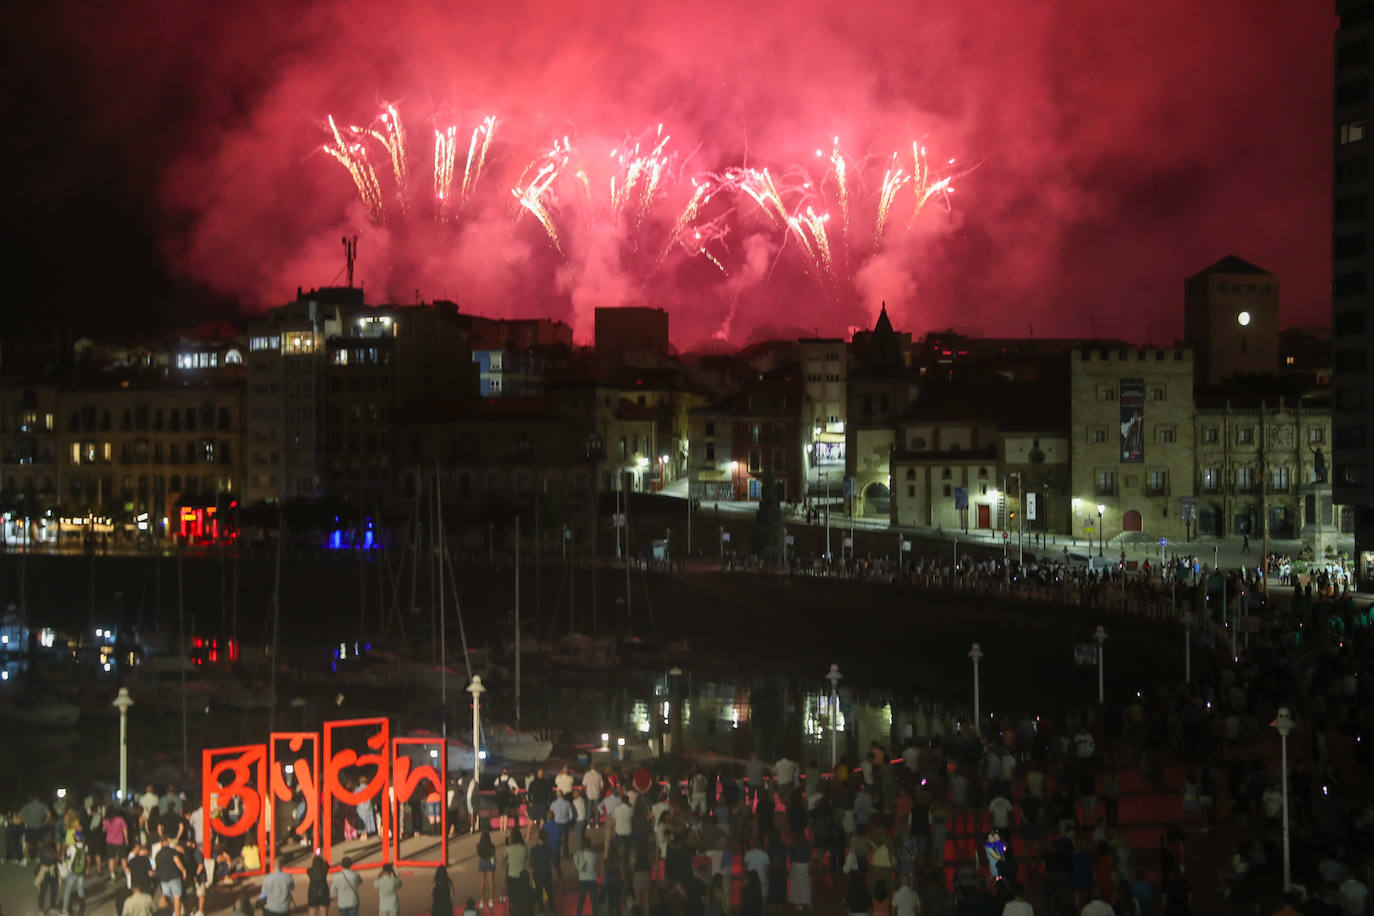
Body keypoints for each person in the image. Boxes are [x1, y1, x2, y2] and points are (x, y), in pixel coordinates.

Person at [504, 827, 529, 904]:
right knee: (522, 899)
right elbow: (526, 859)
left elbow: (504, 863)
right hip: (522, 876)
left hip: (512, 877)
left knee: (512, 900)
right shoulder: (524, 848)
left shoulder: (508, 849)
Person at [573, 843, 599, 916]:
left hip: (582, 880)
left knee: (581, 900)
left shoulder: (580, 855)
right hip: (592, 880)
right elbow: (596, 867)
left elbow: (576, 864)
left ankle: (579, 914)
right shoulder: (594, 856)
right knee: (594, 900)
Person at [477, 825, 497, 909]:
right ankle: (491, 900)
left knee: (482, 881)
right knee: (491, 882)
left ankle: (481, 901)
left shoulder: (479, 845)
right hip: (489, 862)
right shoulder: (492, 845)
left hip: (482, 862)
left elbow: (479, 854)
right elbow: (493, 854)